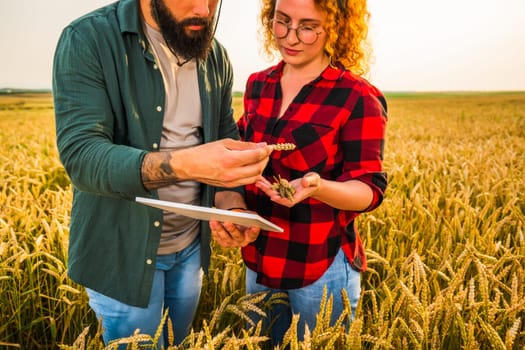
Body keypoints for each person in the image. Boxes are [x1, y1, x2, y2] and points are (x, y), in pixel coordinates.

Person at [52, 0, 272, 347]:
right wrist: (186, 164)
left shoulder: (215, 56)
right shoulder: (87, 39)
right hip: (123, 256)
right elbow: (83, 157)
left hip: (190, 250)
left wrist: (232, 207)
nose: (204, 8)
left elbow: (223, 142)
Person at [210, 0, 387, 345]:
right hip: (260, 258)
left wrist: (316, 187)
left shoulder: (356, 96)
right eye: (281, 22)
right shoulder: (258, 85)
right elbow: (240, 161)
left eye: (307, 26)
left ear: (336, 27)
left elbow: (369, 190)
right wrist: (233, 208)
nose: (290, 37)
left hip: (320, 263)